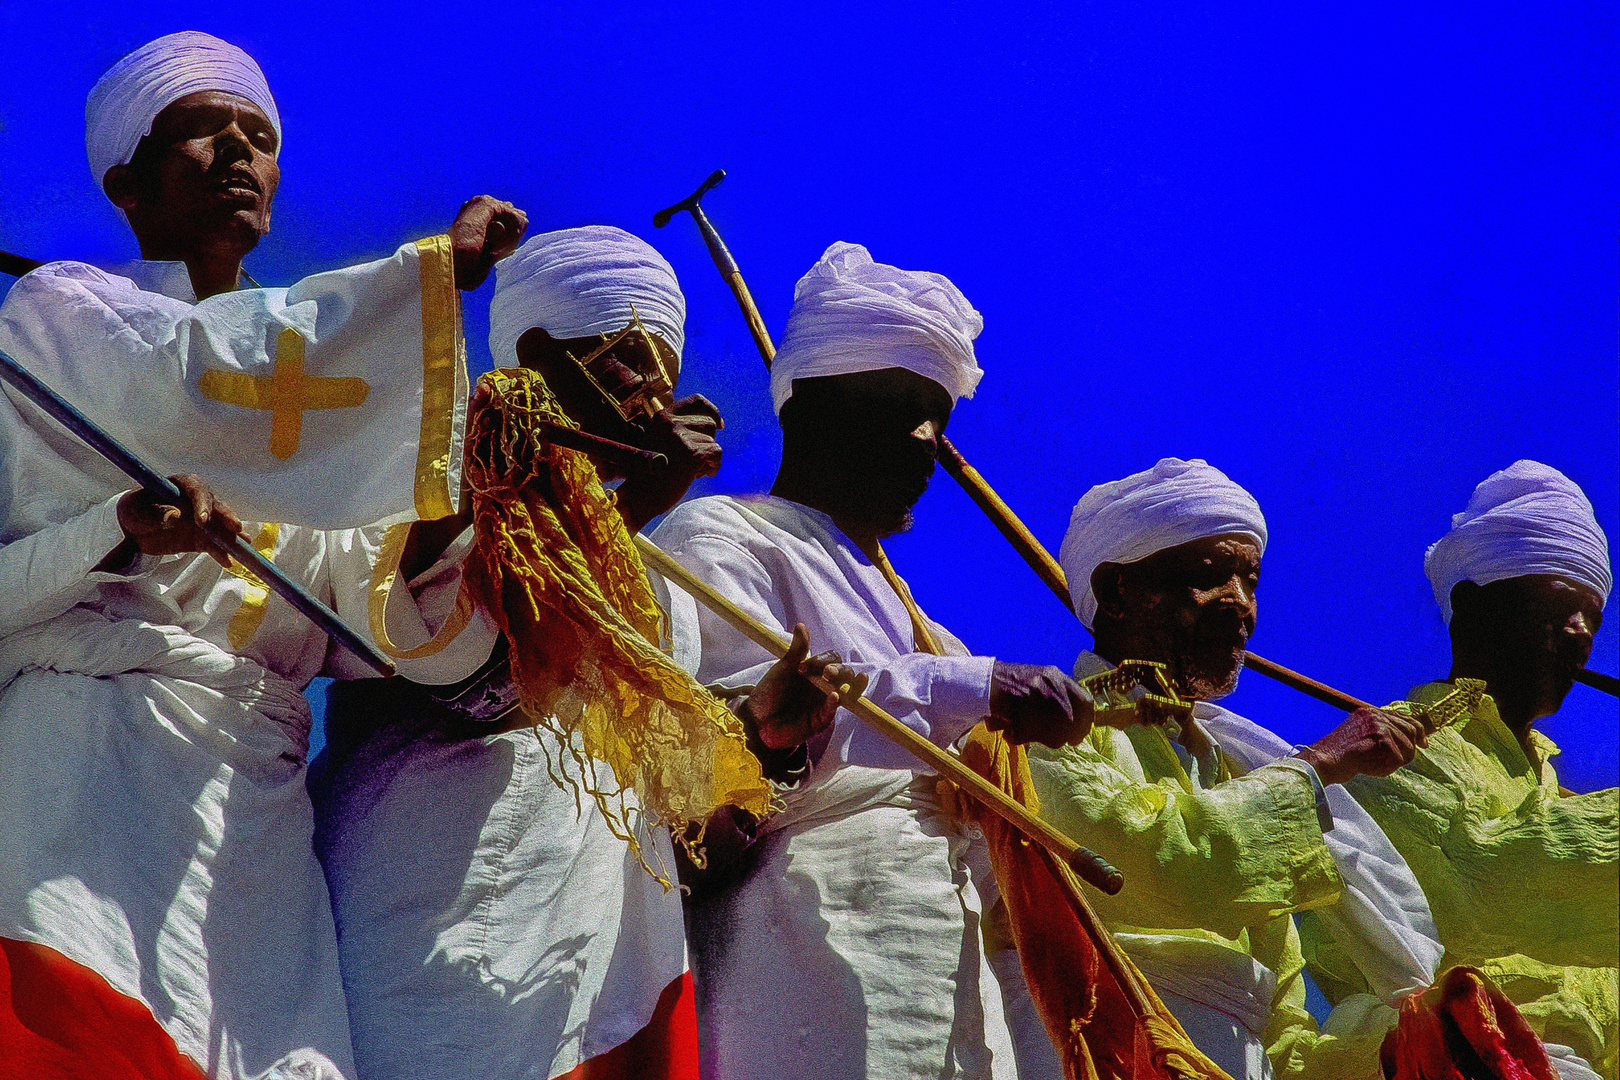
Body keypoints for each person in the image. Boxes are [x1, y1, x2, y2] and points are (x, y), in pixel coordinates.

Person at [0, 31, 522, 1078]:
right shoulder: (60, 318)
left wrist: (481, 499)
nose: (240, 153)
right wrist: (118, 531)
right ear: (128, 181)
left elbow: (364, 604)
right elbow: (196, 375)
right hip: (96, 755)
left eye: (260, 136)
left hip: (257, 811)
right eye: (202, 131)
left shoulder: (348, 429)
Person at [309, 226, 862, 1080]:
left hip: (612, 968)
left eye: (666, 373)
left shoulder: (660, 589)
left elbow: (687, 833)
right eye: (626, 359)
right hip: (448, 917)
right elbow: (482, 680)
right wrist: (632, 501)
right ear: (535, 356)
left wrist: (766, 741)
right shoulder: (432, 491)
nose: (653, 395)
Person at [650, 241, 1097, 1080]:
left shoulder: (927, 627)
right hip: (803, 947)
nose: (928, 440)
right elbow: (710, 765)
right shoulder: (722, 537)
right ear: (807, 411)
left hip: (959, 976)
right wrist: (975, 688)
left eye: (940, 416)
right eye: (899, 404)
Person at [1029, 457, 1445, 1080]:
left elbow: (1284, 1038)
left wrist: (1403, 1046)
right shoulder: (1046, 728)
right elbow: (1147, 858)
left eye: (1249, 581)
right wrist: (1321, 764)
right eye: (1210, 579)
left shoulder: (1229, 766)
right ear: (1117, 592)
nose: (1240, 606)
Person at [1346, 460, 1617, 1080]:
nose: (1580, 635)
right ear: (1472, 607)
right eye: (1558, 608)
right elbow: (1490, 881)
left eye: (1593, 619)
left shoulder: (1556, 791)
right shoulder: (1388, 753)